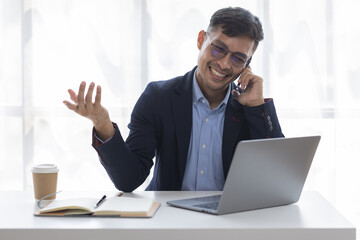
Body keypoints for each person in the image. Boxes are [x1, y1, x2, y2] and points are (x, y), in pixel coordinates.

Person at [63, 7, 284, 192]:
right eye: (218, 49)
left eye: (238, 58)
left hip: (229, 221)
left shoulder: (248, 106)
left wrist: (257, 106)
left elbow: (278, 180)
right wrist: (102, 125)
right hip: (168, 219)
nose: (225, 65)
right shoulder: (158, 97)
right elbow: (128, 180)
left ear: (247, 64)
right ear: (201, 40)